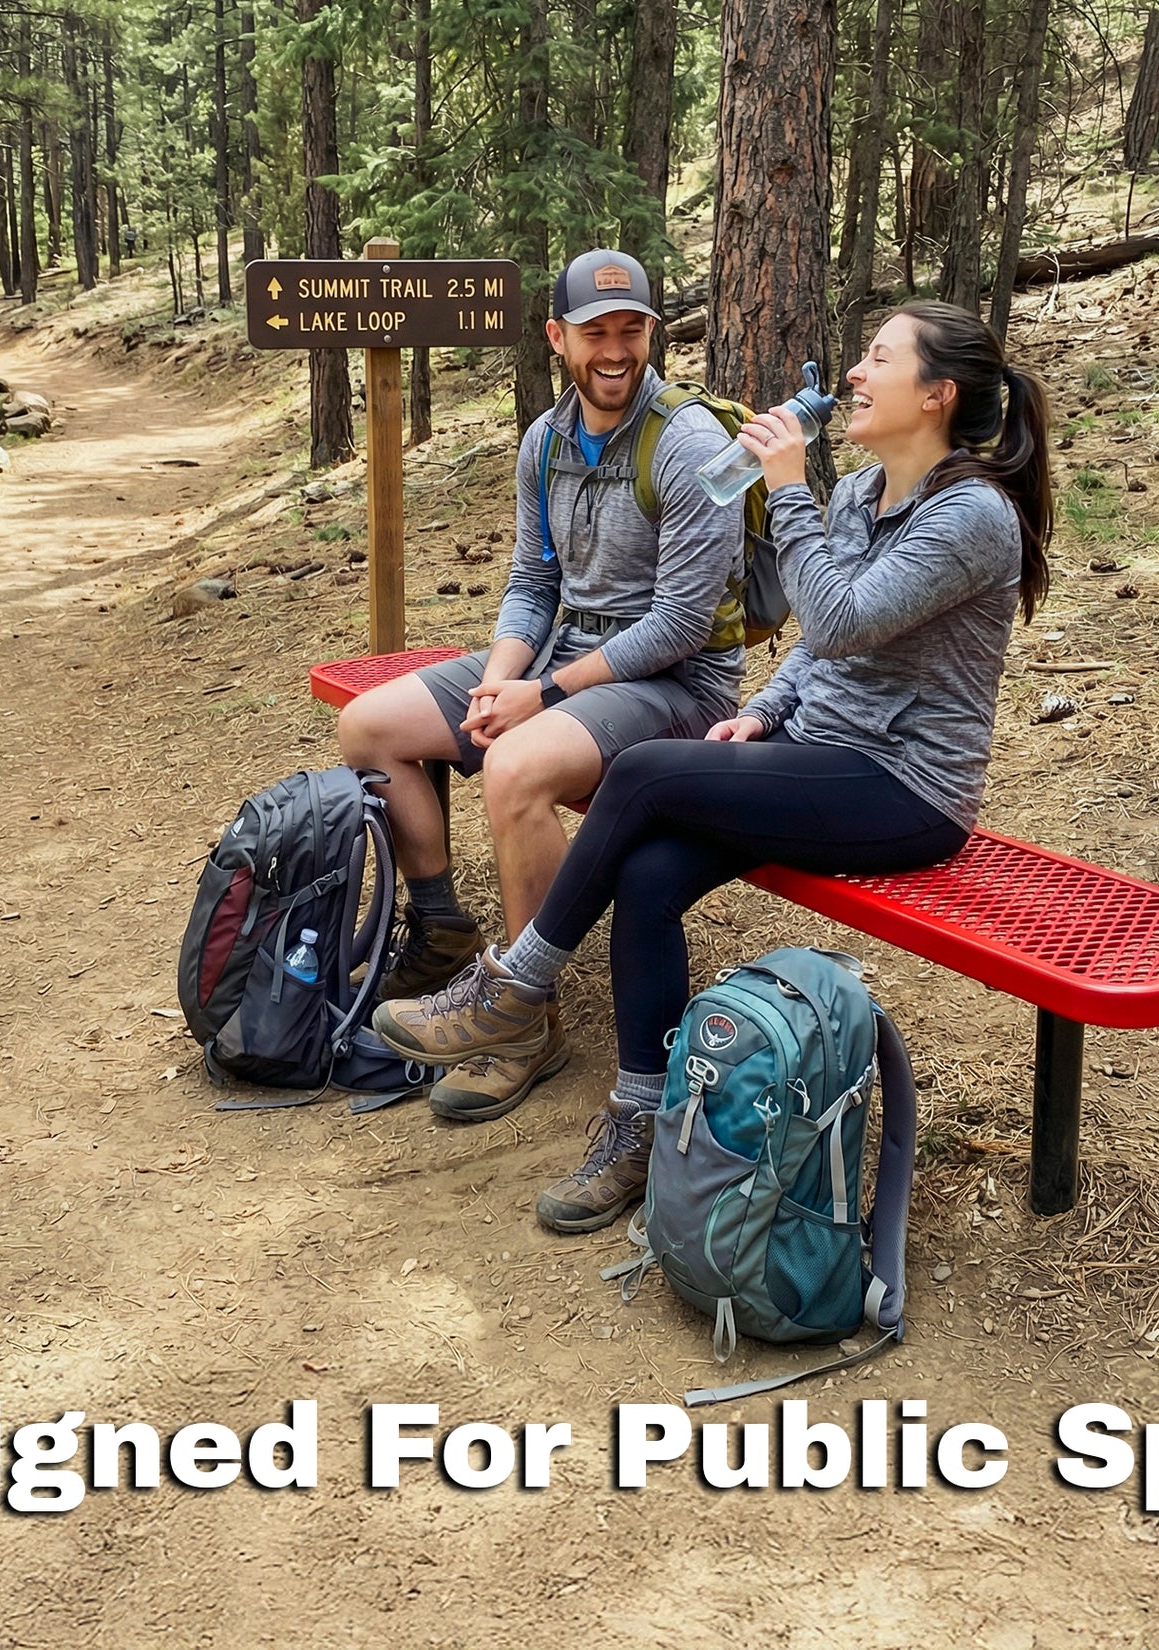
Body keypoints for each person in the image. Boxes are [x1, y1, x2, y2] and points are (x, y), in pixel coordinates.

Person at [373, 301, 1052, 1230]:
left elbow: (843, 616)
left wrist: (787, 491)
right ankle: (641, 1120)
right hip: (815, 756)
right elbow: (822, 651)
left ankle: (517, 984)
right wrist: (763, 714)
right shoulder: (861, 494)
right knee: (649, 874)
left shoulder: (971, 514)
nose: (853, 374)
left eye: (877, 360)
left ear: (937, 395)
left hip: (905, 788)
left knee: (646, 773)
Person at [341, 248, 746, 1122]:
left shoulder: (688, 443)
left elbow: (679, 623)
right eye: (595, 332)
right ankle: (445, 927)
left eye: (631, 330)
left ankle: (524, 1021)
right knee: (369, 727)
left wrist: (543, 696)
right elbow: (532, 583)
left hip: (678, 687)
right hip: (560, 663)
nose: (615, 350)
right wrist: (497, 681)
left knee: (516, 767)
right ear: (558, 337)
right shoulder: (545, 441)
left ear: (651, 334)